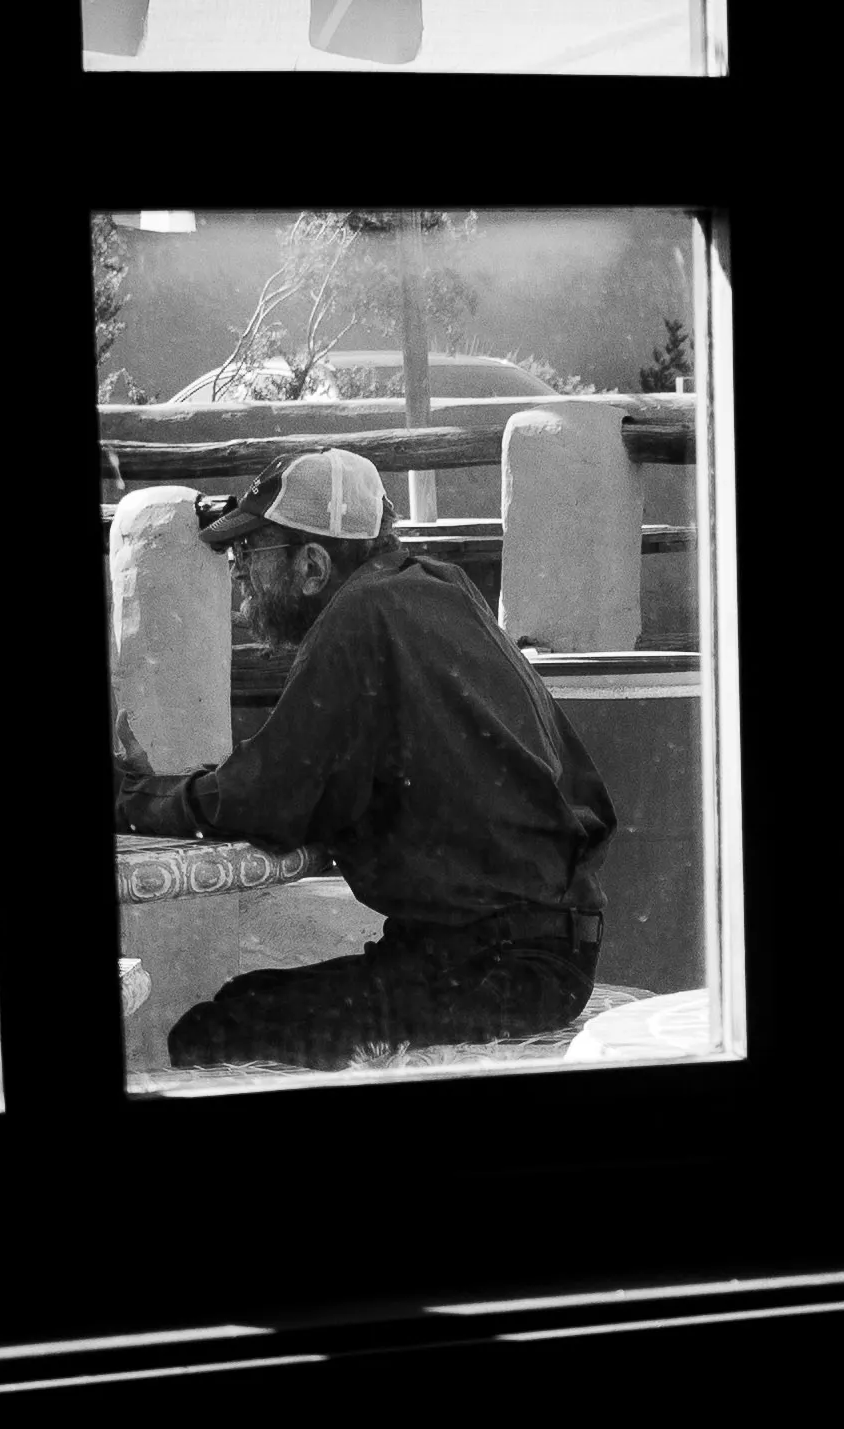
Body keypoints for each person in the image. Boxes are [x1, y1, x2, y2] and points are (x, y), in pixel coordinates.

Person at [110, 447, 614, 1071]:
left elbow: (265, 800)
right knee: (249, 1000)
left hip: (496, 970)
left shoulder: (359, 616)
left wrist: (128, 796)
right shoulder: (437, 586)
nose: (238, 575)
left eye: (248, 554)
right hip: (527, 953)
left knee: (212, 1033)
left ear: (312, 565)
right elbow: (304, 778)